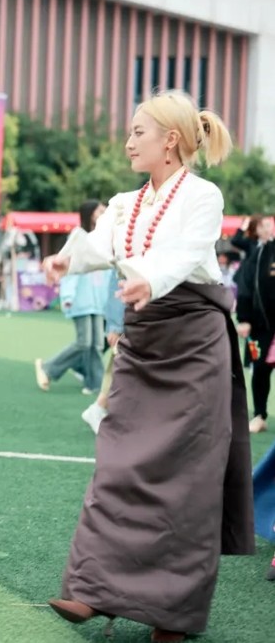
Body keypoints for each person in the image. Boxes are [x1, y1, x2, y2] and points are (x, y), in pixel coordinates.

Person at [42, 91, 254, 643]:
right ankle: (91, 588)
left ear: (171, 140)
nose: (129, 142)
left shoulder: (204, 195)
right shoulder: (123, 203)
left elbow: (185, 253)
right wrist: (66, 259)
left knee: (188, 480)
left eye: (139, 132)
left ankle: (172, 614)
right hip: (143, 339)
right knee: (117, 462)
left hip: (195, 344)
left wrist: (149, 281)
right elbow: (97, 246)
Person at [34, 201, 110, 395]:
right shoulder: (78, 235)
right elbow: (66, 261)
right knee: (84, 342)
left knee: (97, 344)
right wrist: (68, 296)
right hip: (80, 299)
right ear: (90, 214)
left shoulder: (102, 237)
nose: (103, 213)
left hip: (98, 300)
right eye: (100, 211)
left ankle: (95, 383)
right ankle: (48, 368)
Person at [234, 224, 275, 433]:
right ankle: (259, 415)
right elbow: (246, 286)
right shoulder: (259, 252)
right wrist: (244, 318)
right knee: (259, 369)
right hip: (262, 324)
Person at [80, 269, 125, 433]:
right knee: (122, 363)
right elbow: (119, 277)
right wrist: (115, 325)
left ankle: (101, 408)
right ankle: (99, 407)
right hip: (130, 317)